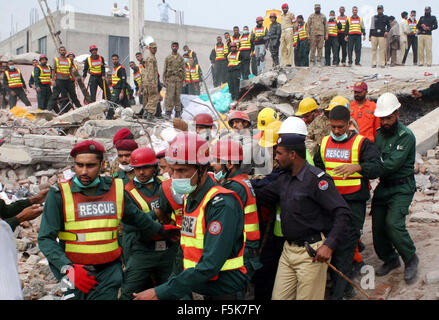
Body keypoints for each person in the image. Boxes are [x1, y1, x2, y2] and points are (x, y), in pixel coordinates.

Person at [38, 140, 179, 300]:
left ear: (102, 165)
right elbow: (45, 238)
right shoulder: (59, 194)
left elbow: (137, 218)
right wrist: (68, 268)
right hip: (73, 271)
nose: (84, 171)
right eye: (79, 165)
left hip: (108, 271)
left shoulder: (116, 189)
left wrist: (161, 231)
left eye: (90, 166)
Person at [133, 132, 247, 300]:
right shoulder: (190, 198)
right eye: (172, 171)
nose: (175, 178)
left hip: (223, 291)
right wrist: (171, 283)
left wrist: (161, 292)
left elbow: (210, 264)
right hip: (199, 287)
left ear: (201, 169)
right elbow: (184, 250)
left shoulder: (222, 204)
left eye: (181, 171)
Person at [255, 133, 351, 300]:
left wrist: (329, 245)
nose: (276, 158)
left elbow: (342, 213)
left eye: (279, 153)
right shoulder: (283, 178)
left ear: (292, 154)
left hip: (311, 253)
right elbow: (261, 194)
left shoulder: (317, 180)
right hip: (288, 251)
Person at [313, 106, 383, 300]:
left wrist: (359, 166)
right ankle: (338, 286)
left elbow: (377, 167)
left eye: (340, 127)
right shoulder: (324, 143)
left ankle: (339, 293)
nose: (336, 131)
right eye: (333, 127)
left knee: (345, 247)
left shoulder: (362, 144)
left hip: (353, 204)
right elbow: (317, 169)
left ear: (349, 123)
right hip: (330, 204)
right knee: (331, 245)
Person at [372, 93, 419, 284]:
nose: (385, 122)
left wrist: (363, 168)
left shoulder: (406, 137)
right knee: (377, 227)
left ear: (397, 114)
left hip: (402, 187)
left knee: (393, 224)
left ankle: (411, 258)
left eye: (388, 118)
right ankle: (390, 259)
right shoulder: (379, 135)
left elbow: (390, 165)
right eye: (382, 118)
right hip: (384, 186)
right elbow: (374, 159)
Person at [120, 148, 179, 300]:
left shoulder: (167, 185)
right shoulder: (127, 191)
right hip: (143, 250)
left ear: (154, 167)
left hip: (169, 248)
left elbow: (180, 210)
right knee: (129, 292)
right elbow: (128, 225)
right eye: (137, 168)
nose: (141, 172)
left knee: (177, 290)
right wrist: (156, 214)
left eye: (145, 167)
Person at [210, 139, 262, 295]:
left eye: (217, 160)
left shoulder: (234, 187)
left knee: (233, 293)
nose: (213, 165)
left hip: (243, 250)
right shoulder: (241, 181)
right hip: (247, 248)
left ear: (230, 163)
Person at [47, 46, 82, 113]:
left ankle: (79, 107)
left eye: (64, 50)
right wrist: (53, 80)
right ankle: (48, 110)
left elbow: (71, 71)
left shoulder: (68, 60)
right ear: (59, 51)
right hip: (59, 80)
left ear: (65, 51)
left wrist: (75, 80)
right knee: (54, 95)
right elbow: (53, 70)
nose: (63, 51)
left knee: (73, 95)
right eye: (61, 50)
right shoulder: (56, 59)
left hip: (67, 80)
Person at [163, 42, 185, 119]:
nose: (174, 47)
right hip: (170, 80)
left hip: (178, 80)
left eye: (176, 46)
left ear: (178, 47)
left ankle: (178, 112)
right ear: (171, 47)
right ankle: (168, 112)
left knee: (177, 96)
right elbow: (164, 70)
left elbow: (183, 69)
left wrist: (184, 80)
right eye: (173, 46)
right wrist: (164, 80)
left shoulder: (181, 58)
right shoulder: (168, 58)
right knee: (169, 96)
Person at [142, 42, 161, 121]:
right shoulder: (151, 58)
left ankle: (146, 113)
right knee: (154, 97)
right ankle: (150, 114)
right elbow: (150, 71)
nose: (155, 50)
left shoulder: (151, 57)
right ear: (149, 49)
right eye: (153, 48)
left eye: (155, 48)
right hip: (150, 82)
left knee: (150, 98)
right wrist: (153, 83)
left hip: (148, 81)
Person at [107, 54, 129, 119]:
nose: (114, 61)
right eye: (113, 59)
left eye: (116, 59)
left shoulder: (121, 69)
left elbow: (123, 81)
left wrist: (122, 92)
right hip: (116, 88)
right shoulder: (114, 68)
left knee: (112, 103)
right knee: (126, 104)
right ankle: (131, 115)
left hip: (118, 89)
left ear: (118, 59)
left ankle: (108, 117)